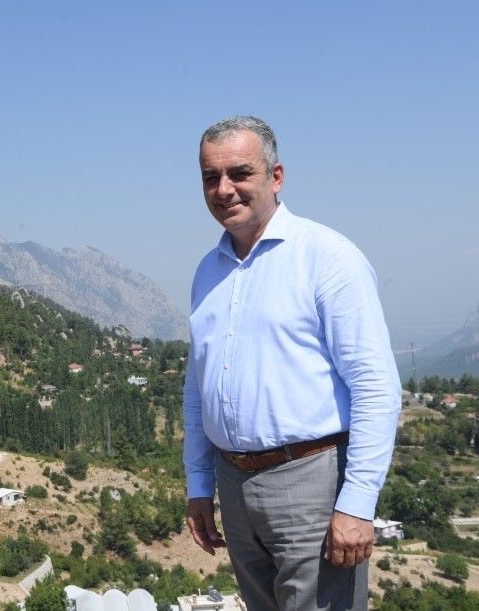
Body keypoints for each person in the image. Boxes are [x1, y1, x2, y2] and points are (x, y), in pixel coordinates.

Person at [183, 116, 401, 610]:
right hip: (233, 485)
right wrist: (199, 486)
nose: (224, 189)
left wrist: (357, 504)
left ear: (276, 176)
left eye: (240, 173)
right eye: (210, 177)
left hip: (310, 483)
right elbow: (197, 389)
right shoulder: (207, 271)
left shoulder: (328, 257)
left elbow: (374, 385)